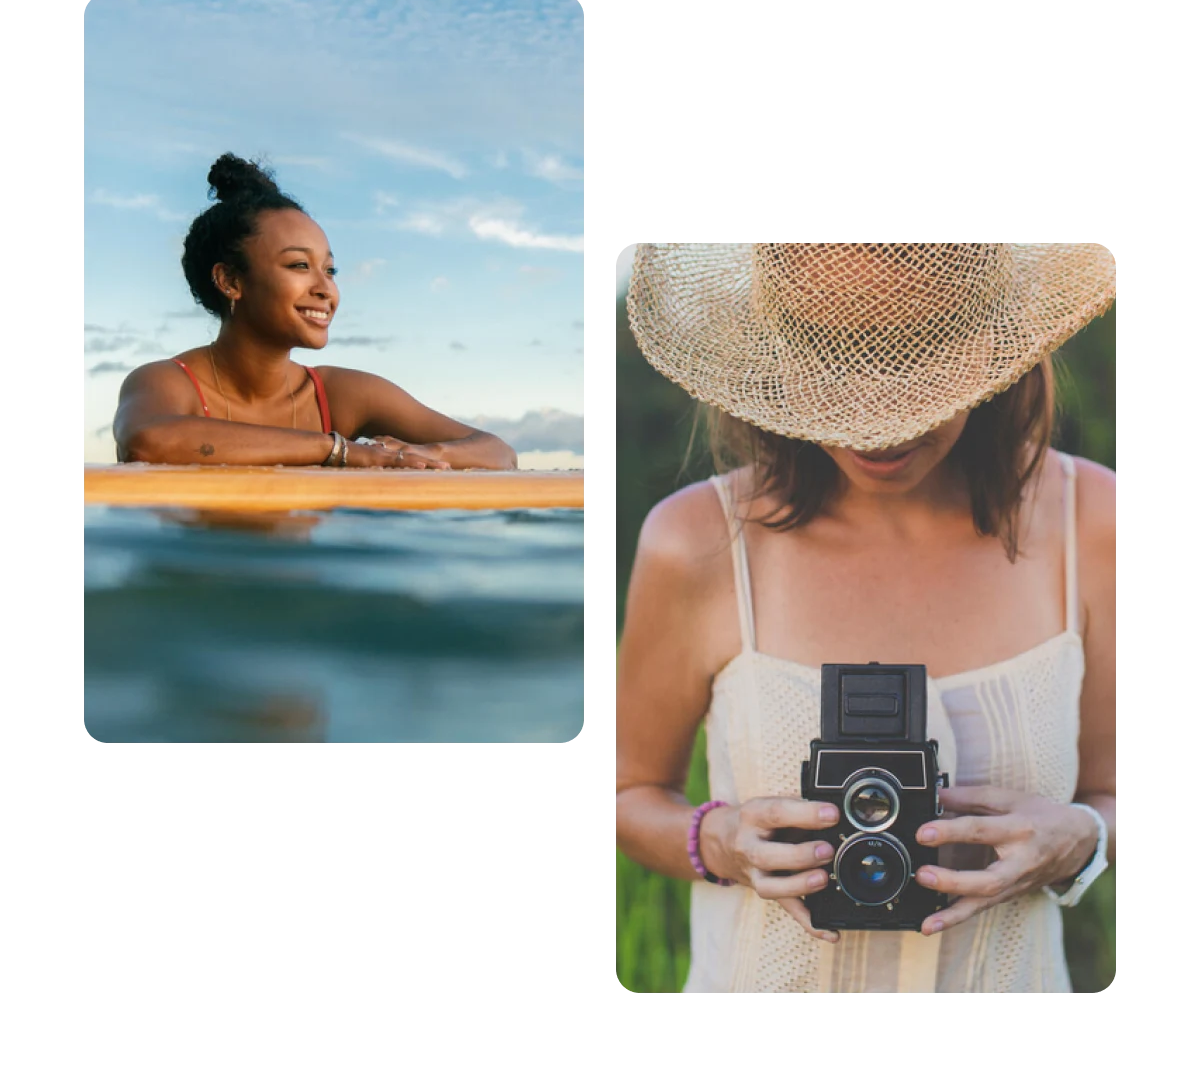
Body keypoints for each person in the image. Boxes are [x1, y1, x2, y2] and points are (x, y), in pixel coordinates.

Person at [616, 241, 1117, 992]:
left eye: (916, 358)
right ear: (777, 348)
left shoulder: (1096, 522)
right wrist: (719, 840)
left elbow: (1112, 788)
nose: (874, 419)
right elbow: (629, 791)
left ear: (992, 339)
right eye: (833, 357)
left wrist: (1082, 837)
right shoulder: (693, 541)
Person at [113, 153, 518, 472]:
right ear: (230, 281)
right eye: (299, 266)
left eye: (330, 270)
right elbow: (147, 442)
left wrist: (416, 452)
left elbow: (498, 454)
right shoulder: (167, 382)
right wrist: (341, 451)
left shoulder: (344, 396)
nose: (326, 289)